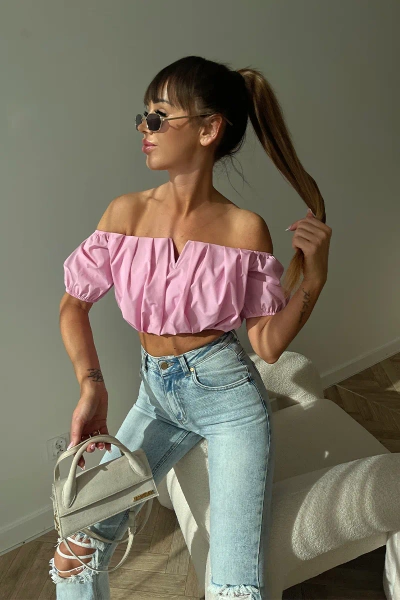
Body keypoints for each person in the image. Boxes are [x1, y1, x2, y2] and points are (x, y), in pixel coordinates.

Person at [50, 55, 331, 599]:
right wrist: (92, 386)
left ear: (208, 129)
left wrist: (314, 280)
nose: (144, 128)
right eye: (144, 116)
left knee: (233, 587)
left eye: (158, 117)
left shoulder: (244, 230)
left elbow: (266, 343)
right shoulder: (125, 214)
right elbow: (72, 305)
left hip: (230, 405)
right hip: (155, 396)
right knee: (74, 553)